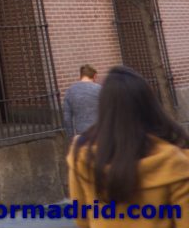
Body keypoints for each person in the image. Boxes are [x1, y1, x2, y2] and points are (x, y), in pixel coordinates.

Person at [68, 66, 189, 228]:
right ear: (149, 105)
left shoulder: (82, 154)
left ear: (105, 107)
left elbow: (81, 218)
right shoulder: (173, 160)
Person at [63, 64, 102, 138]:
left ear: (80, 76)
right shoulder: (99, 89)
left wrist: (71, 136)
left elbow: (66, 118)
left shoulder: (70, 91)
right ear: (94, 76)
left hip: (81, 135)